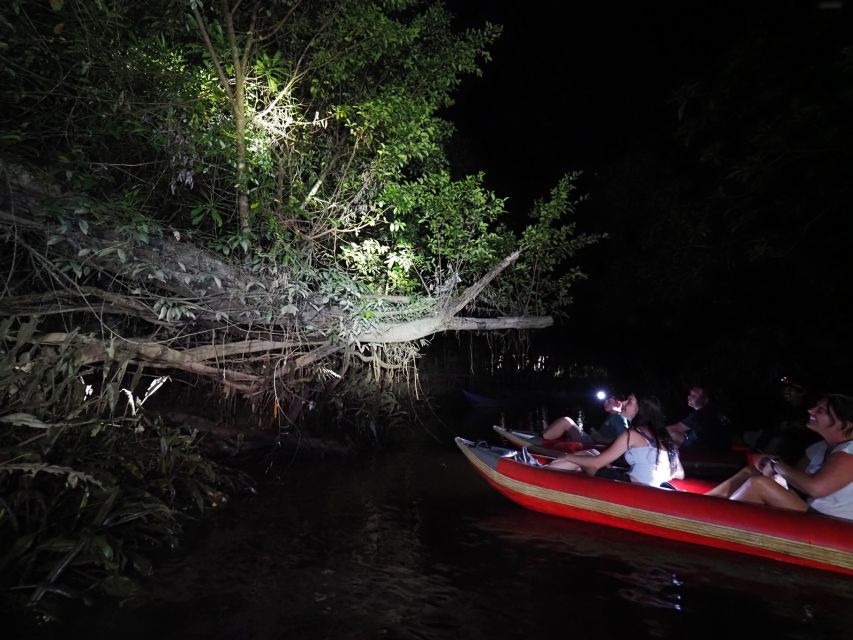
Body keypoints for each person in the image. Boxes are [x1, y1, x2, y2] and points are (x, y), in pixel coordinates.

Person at [705, 394, 853, 520]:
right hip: (811, 510)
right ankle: (706, 502)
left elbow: (815, 488)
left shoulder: (849, 451)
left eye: (821, 410)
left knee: (759, 484)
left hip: (832, 523)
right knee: (755, 471)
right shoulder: (819, 447)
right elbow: (794, 479)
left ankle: (715, 520)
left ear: (845, 425)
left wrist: (775, 464)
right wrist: (767, 464)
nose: (811, 410)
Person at [543, 393, 684, 487]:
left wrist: (568, 456)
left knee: (585, 457)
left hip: (630, 486)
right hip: (638, 482)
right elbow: (680, 473)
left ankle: (541, 472)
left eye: (629, 401)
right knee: (591, 451)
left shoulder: (633, 434)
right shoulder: (664, 436)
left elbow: (595, 464)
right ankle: (548, 469)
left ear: (640, 409)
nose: (623, 402)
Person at [541, 396, 628, 446]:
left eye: (609, 401)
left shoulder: (619, 418)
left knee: (566, 421)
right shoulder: (612, 416)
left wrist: (599, 438)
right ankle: (543, 436)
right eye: (605, 401)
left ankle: (540, 441)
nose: (605, 403)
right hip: (593, 441)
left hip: (595, 445)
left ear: (618, 403)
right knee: (567, 425)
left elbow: (625, 440)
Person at [666, 385, 731, 451]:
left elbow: (671, 429)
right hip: (722, 450)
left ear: (705, 399)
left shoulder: (701, 414)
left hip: (704, 452)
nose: (689, 396)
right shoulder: (717, 412)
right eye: (690, 394)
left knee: (671, 433)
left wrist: (656, 433)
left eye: (694, 395)